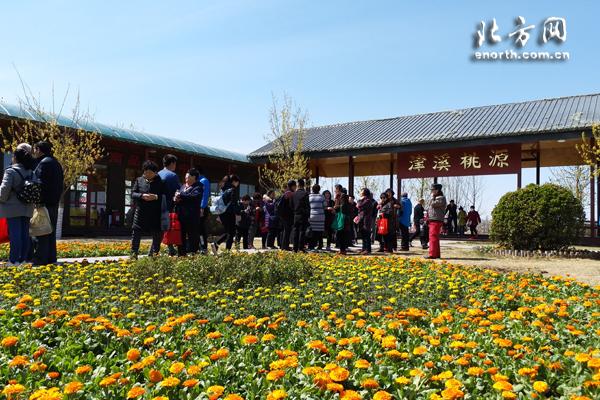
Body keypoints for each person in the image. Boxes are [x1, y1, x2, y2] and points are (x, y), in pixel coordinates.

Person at [0, 147, 35, 265]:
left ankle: (13, 260)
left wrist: (1, 199)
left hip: (13, 207)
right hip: (28, 207)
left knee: (15, 234)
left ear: (15, 158)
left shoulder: (10, 171)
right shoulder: (31, 172)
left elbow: (4, 189)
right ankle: (23, 259)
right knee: (25, 234)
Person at [31, 141, 64, 266]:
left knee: (41, 232)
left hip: (44, 203)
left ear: (39, 149)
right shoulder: (56, 163)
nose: (34, 152)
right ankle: (51, 258)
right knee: (50, 232)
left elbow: (39, 184)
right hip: (54, 203)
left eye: (35, 149)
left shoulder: (43, 163)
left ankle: (40, 259)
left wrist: (36, 201)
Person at [130, 160, 166, 258]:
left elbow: (165, 196)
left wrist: (156, 197)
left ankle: (154, 255)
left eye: (150, 173)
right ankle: (133, 254)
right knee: (136, 232)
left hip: (155, 213)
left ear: (155, 172)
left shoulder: (161, 182)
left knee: (156, 235)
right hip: (140, 212)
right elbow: (133, 193)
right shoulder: (139, 180)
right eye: (146, 172)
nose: (147, 174)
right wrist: (142, 195)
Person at [174, 168, 203, 255]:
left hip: (192, 217)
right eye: (185, 177)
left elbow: (193, 197)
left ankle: (193, 253)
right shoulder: (183, 186)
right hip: (181, 216)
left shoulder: (198, 186)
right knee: (181, 236)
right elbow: (179, 197)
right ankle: (181, 254)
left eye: (188, 176)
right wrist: (175, 199)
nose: (186, 178)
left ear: (194, 177)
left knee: (193, 236)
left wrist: (180, 195)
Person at [158, 154, 181, 256]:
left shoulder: (158, 174)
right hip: (168, 206)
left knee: (158, 229)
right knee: (168, 228)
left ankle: (156, 250)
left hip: (157, 205)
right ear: (172, 163)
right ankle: (170, 249)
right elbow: (178, 191)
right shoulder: (172, 175)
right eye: (175, 164)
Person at [211, 174, 240, 253]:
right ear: (234, 181)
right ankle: (227, 251)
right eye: (237, 182)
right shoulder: (232, 189)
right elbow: (234, 203)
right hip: (229, 213)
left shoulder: (223, 188)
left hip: (222, 212)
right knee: (231, 233)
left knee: (228, 232)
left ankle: (216, 244)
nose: (238, 184)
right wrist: (239, 212)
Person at [427, 183, 447, 259]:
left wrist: (432, 198)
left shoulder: (441, 198)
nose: (431, 191)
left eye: (433, 190)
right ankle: (436, 254)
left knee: (433, 237)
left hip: (436, 219)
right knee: (434, 237)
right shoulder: (437, 198)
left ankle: (432, 254)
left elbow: (432, 204)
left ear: (437, 190)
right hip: (433, 219)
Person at [291, 178, 310, 252]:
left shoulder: (294, 194)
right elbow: (307, 205)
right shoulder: (305, 194)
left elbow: (291, 205)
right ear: (304, 185)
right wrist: (308, 214)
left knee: (295, 231)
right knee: (302, 231)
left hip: (296, 214)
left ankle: (295, 248)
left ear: (298, 185)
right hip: (303, 214)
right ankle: (301, 247)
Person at [277, 180, 296, 251]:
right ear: (293, 186)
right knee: (287, 230)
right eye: (295, 186)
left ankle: (283, 246)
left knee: (285, 230)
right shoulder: (289, 193)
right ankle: (285, 246)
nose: (295, 187)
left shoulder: (286, 192)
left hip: (283, 214)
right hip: (287, 215)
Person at [197, 167, 211, 253]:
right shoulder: (200, 180)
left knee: (201, 229)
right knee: (198, 229)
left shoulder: (203, 181)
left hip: (202, 208)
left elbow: (205, 196)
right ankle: (200, 246)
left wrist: (202, 207)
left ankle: (203, 246)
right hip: (199, 208)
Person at [356, 188, 374, 254]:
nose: (360, 192)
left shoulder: (368, 200)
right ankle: (364, 248)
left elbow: (360, 206)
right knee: (363, 235)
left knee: (367, 235)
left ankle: (368, 249)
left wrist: (359, 202)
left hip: (366, 219)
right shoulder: (362, 200)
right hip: (361, 219)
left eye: (361, 191)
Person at [308, 184, 325, 250]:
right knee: (320, 231)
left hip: (312, 215)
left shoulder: (310, 196)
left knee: (312, 231)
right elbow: (325, 205)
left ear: (312, 189)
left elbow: (308, 206)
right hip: (320, 216)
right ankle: (320, 245)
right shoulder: (322, 196)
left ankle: (311, 245)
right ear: (319, 189)